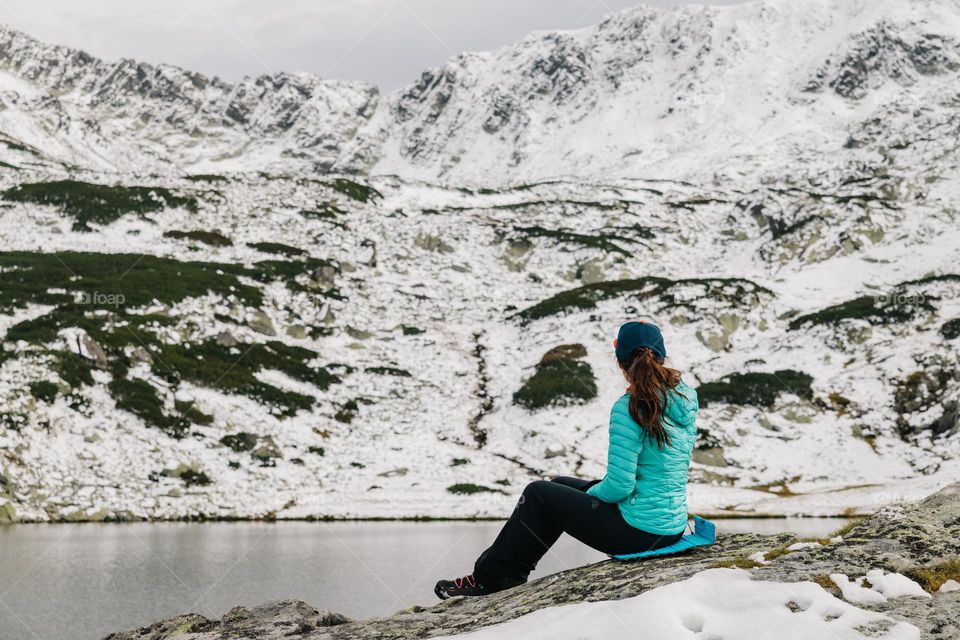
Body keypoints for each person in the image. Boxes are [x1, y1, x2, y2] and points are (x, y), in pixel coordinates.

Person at [435, 321, 699, 599]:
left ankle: (492, 578)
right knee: (559, 485)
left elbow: (621, 486)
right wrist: (590, 493)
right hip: (670, 528)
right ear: (661, 356)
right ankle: (506, 571)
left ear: (621, 362)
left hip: (639, 533)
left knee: (538, 493)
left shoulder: (629, 406)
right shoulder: (685, 397)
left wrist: (593, 493)